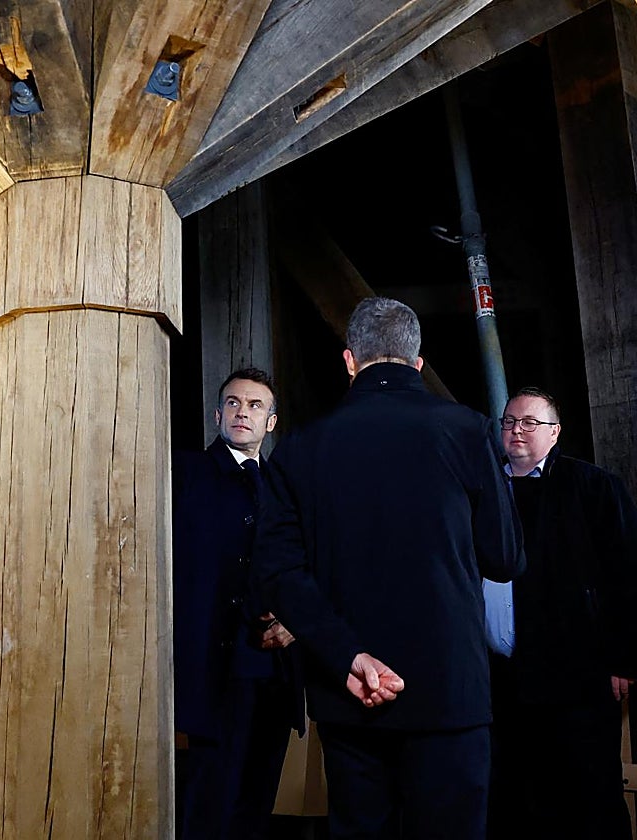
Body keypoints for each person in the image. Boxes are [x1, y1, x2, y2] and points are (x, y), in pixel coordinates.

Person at [251, 297, 525, 840]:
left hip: (349, 692)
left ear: (350, 361)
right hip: (449, 692)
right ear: (417, 363)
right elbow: (504, 557)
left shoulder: (299, 449)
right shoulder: (468, 430)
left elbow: (277, 572)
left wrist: (347, 655)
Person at [485, 386, 637, 840]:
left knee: (589, 795)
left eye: (530, 423)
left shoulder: (593, 486)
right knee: (513, 796)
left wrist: (625, 658)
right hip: (501, 678)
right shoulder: (481, 488)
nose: (517, 431)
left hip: (578, 676)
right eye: (510, 422)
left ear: (555, 433)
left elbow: (627, 573)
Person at [173, 367, 304, 839]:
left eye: (254, 406)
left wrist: (296, 620)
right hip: (214, 666)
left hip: (272, 669)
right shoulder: (185, 473)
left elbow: (303, 568)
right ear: (217, 414)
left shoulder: (285, 488)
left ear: (271, 422)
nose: (241, 412)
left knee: (255, 803)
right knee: (210, 802)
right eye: (232, 403)